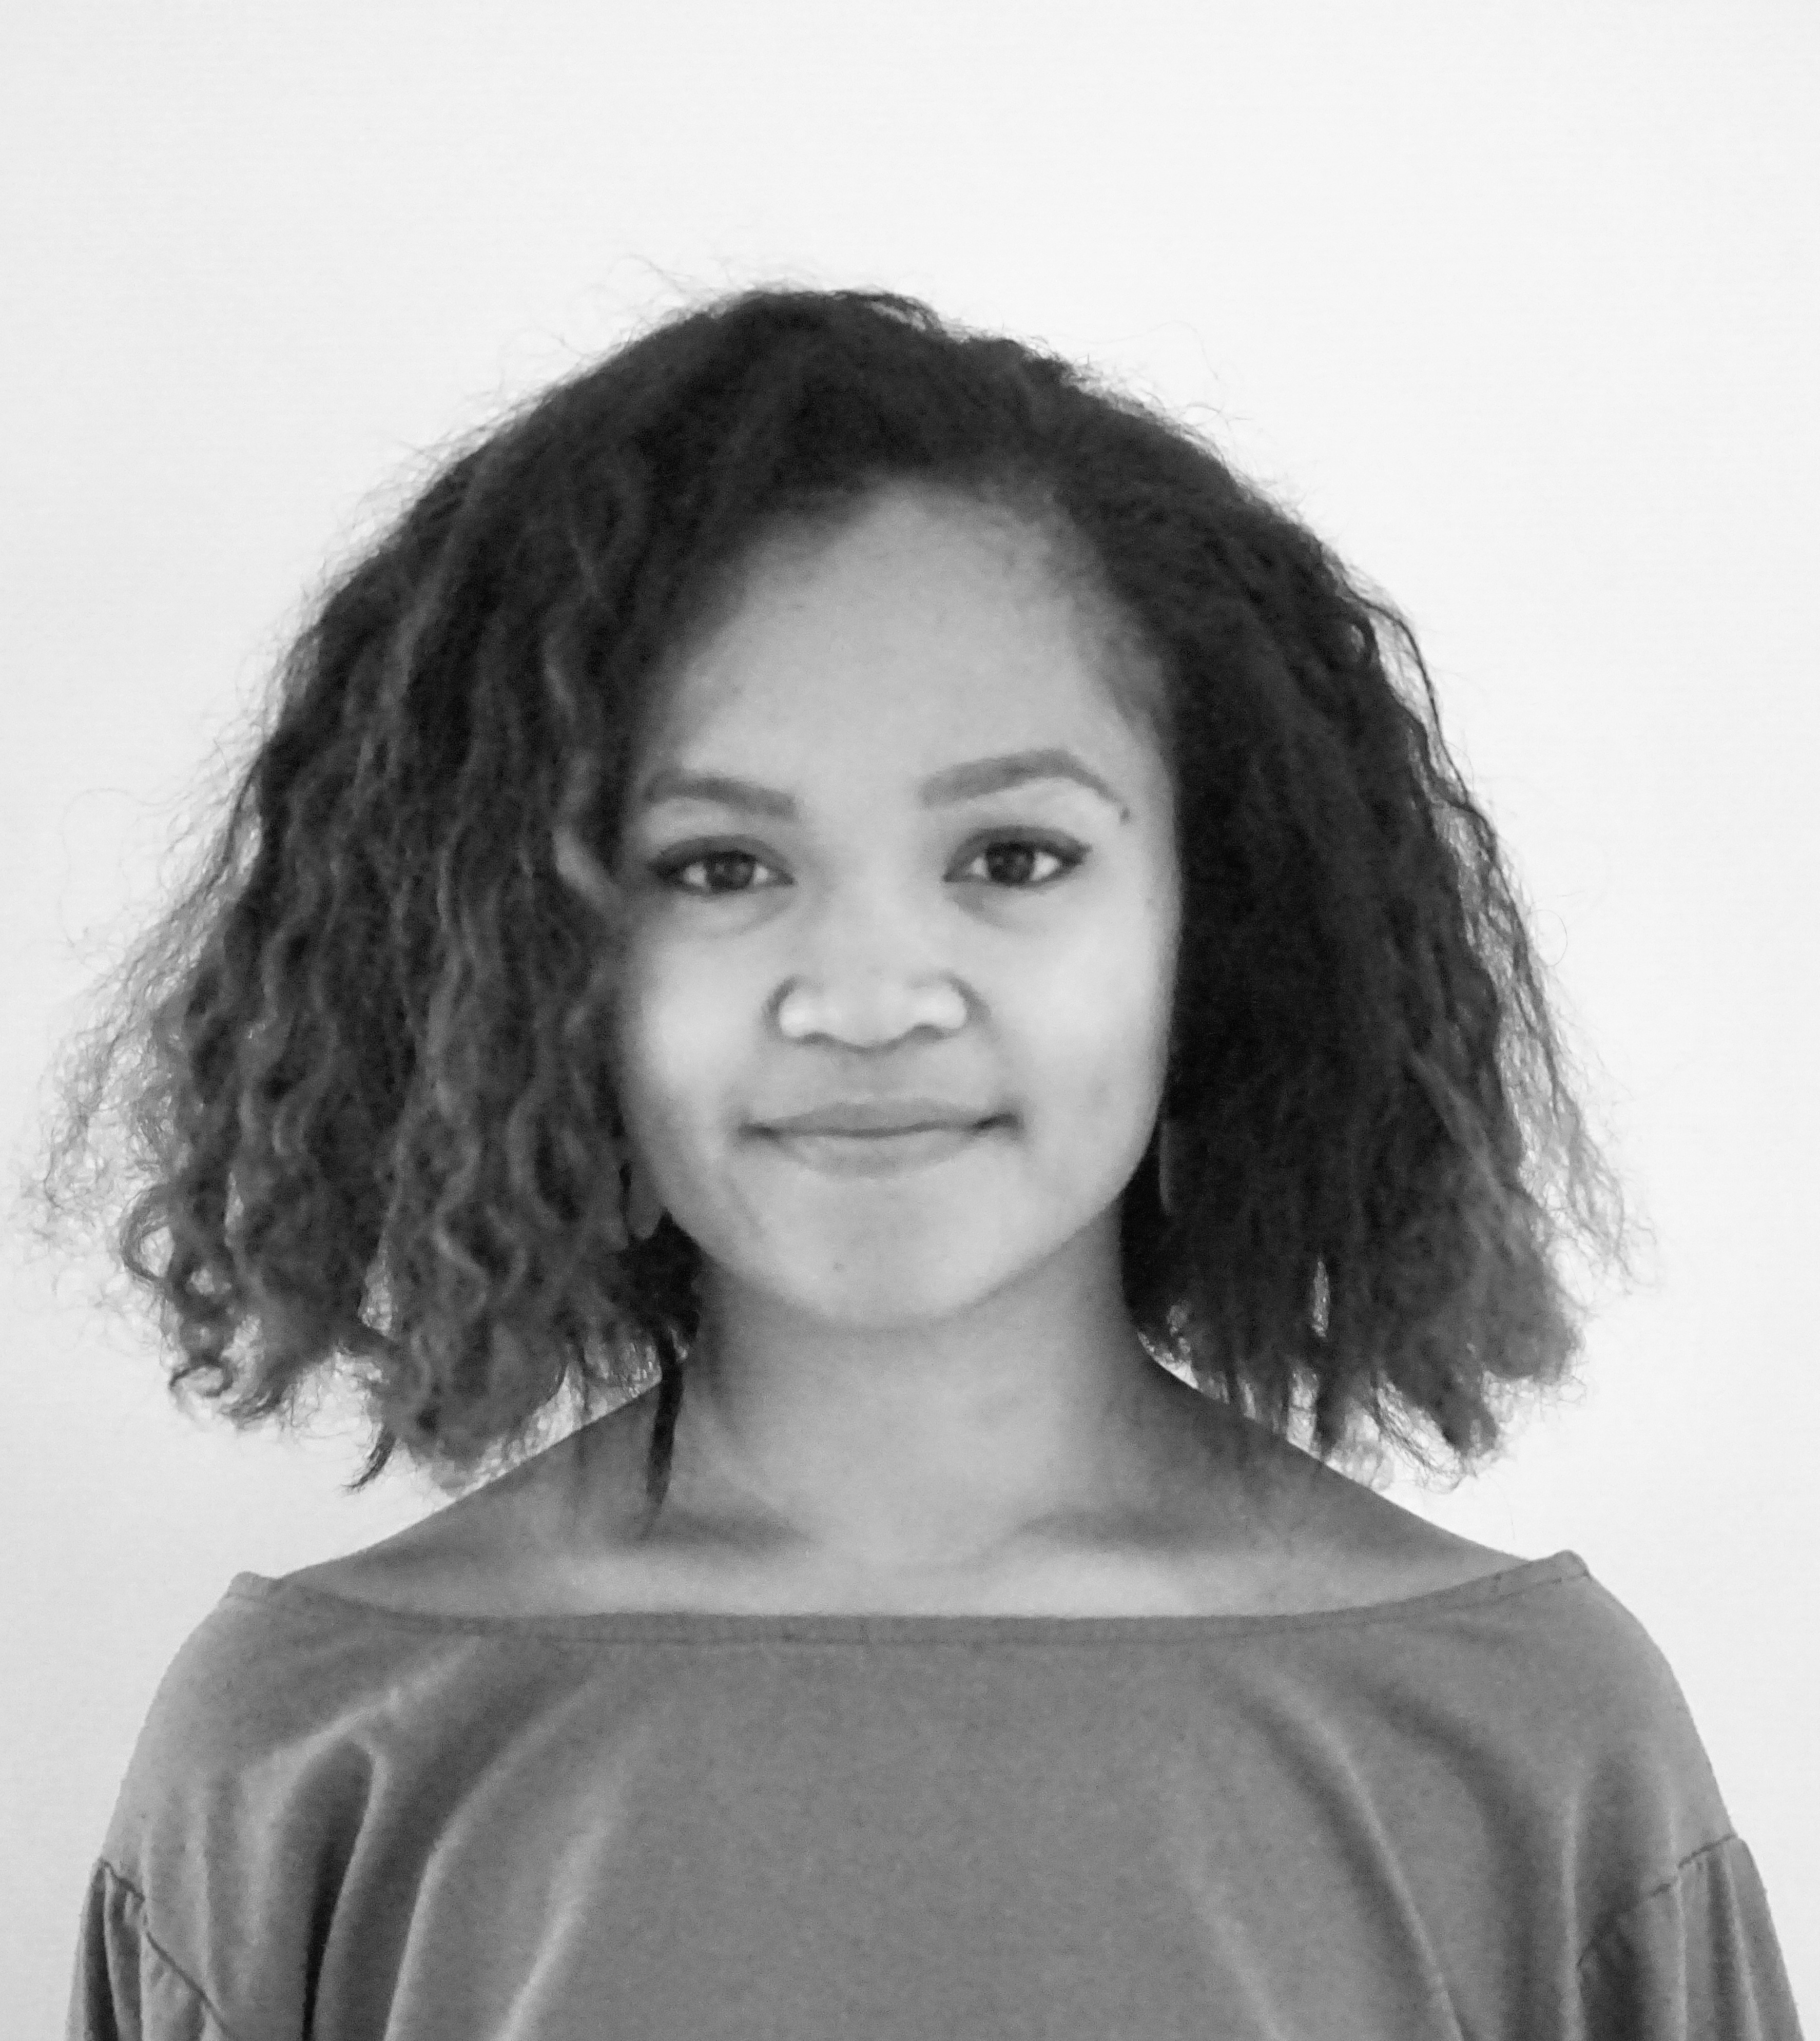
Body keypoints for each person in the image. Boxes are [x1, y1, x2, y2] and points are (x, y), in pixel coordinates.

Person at [35, 286, 1804, 2036]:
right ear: (524, 959)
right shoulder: (305, 1755)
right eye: (719, 866)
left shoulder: (1530, 1748)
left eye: (1014, 856)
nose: (870, 999)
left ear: (1221, 920)